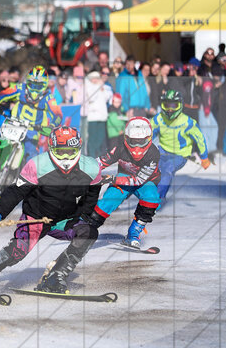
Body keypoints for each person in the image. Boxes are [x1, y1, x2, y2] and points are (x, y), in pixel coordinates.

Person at [0, 126, 103, 297]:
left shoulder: (91, 168)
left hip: (65, 221)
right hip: (36, 218)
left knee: (88, 233)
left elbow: (91, 196)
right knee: (18, 250)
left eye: (71, 152)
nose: (66, 157)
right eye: (61, 152)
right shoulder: (37, 165)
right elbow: (16, 191)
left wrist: (83, 217)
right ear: (51, 148)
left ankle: (56, 276)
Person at [90, 117, 161, 249]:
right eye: (133, 141)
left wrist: (111, 179)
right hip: (124, 177)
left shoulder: (153, 153)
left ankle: (133, 233)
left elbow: (139, 180)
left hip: (146, 182)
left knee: (152, 199)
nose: (137, 147)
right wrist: (82, 170)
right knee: (107, 202)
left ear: (149, 139)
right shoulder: (120, 147)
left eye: (141, 141)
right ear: (126, 138)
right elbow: (101, 162)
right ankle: (85, 230)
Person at [0, 66, 62, 159]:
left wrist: (52, 126)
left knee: (31, 154)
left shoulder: (48, 97)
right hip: (14, 124)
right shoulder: (20, 88)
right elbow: (3, 93)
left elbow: (58, 114)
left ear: (44, 85)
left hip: (33, 130)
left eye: (38, 86)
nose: (34, 89)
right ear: (28, 82)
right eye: (32, 84)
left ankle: (25, 168)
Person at [151, 89, 210, 202]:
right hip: (162, 151)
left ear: (180, 105)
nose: (170, 109)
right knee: (149, 170)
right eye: (166, 105)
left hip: (180, 155)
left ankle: (156, 200)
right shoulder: (159, 118)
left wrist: (204, 157)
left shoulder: (188, 122)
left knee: (167, 169)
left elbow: (200, 139)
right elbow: (148, 133)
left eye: (174, 106)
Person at [82, 70, 112, 157]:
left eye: (97, 78)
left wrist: (102, 88)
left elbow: (107, 97)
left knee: (100, 138)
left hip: (102, 117)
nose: (95, 80)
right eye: (94, 78)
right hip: (92, 117)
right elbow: (92, 98)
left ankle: (98, 156)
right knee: (92, 138)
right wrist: (98, 87)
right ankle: (92, 156)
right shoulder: (88, 87)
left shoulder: (101, 86)